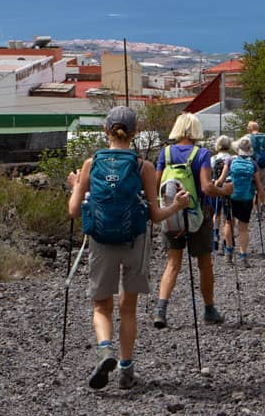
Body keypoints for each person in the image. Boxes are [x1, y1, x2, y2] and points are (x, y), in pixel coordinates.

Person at [67, 106, 190, 391]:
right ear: (135, 133)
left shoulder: (91, 164)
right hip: (134, 241)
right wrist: (177, 205)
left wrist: (75, 186)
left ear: (105, 130)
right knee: (129, 307)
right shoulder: (142, 167)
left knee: (101, 305)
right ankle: (126, 369)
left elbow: (74, 210)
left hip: (100, 242)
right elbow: (156, 215)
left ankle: (105, 350)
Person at [153, 112, 233, 329]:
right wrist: (224, 190)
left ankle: (161, 310)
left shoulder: (166, 152)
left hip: (171, 213)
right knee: (204, 264)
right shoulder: (201, 153)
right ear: (195, 130)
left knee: (172, 263)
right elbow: (207, 187)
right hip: (198, 214)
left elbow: (156, 183)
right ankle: (209, 309)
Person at [224, 136, 265, 267]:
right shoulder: (253, 164)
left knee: (228, 224)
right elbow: (259, 186)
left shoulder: (230, 160)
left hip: (231, 196)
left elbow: (221, 180)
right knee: (243, 228)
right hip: (246, 199)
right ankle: (243, 256)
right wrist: (261, 201)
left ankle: (228, 253)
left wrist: (217, 189)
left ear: (237, 149)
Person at [210, 135, 234, 253]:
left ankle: (215, 239)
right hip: (228, 187)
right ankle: (227, 241)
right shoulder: (231, 158)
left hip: (215, 186)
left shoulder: (213, 158)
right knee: (227, 216)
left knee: (216, 213)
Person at [247, 120, 265, 185]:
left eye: (247, 127)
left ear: (250, 128)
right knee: (261, 184)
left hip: (253, 163)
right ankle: (260, 194)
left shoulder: (248, 137)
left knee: (252, 184)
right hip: (264, 162)